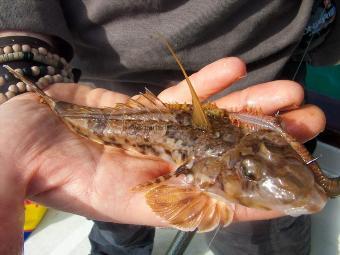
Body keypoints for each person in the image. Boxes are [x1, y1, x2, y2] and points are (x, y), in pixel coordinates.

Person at [0, 0, 337, 254]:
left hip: (265, 59)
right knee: (116, 222)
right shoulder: (200, 176)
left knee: (260, 239)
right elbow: (167, 197)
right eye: (248, 173)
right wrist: (22, 62)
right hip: (97, 77)